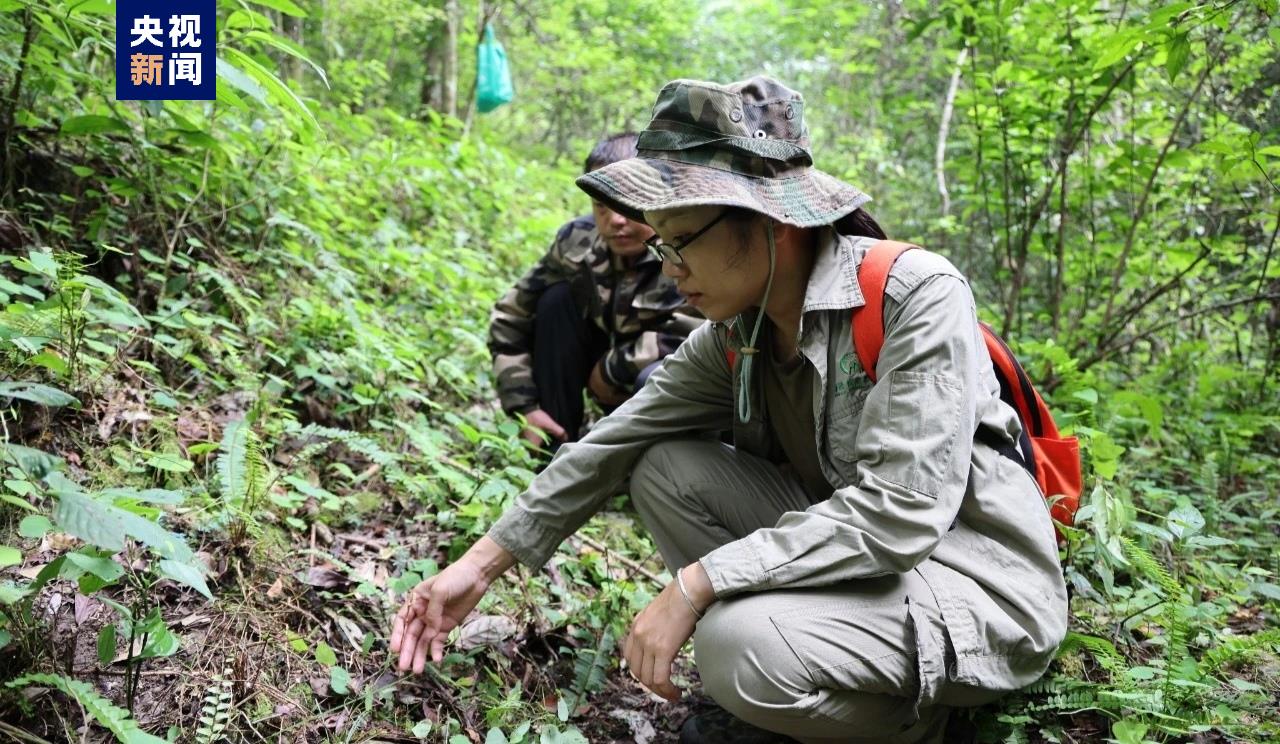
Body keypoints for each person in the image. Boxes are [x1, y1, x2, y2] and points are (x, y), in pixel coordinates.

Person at [394, 77, 1068, 744]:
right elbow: (618, 439)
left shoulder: (913, 295)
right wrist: (480, 565)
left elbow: (900, 510)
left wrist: (698, 583)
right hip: (864, 568)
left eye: (681, 239)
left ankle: (913, 727)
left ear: (771, 223)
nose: (669, 268)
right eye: (661, 243)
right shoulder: (736, 334)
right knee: (661, 468)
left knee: (736, 647)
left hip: (969, 583)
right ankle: (794, 685)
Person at [487, 132, 703, 448]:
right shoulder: (577, 240)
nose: (615, 220)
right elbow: (510, 317)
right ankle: (552, 446)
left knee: (656, 376)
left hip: (655, 383)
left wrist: (610, 370)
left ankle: (652, 473)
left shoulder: (689, 244)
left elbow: (701, 332)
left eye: (627, 204)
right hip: (600, 368)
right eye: (601, 205)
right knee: (554, 302)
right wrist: (524, 407)